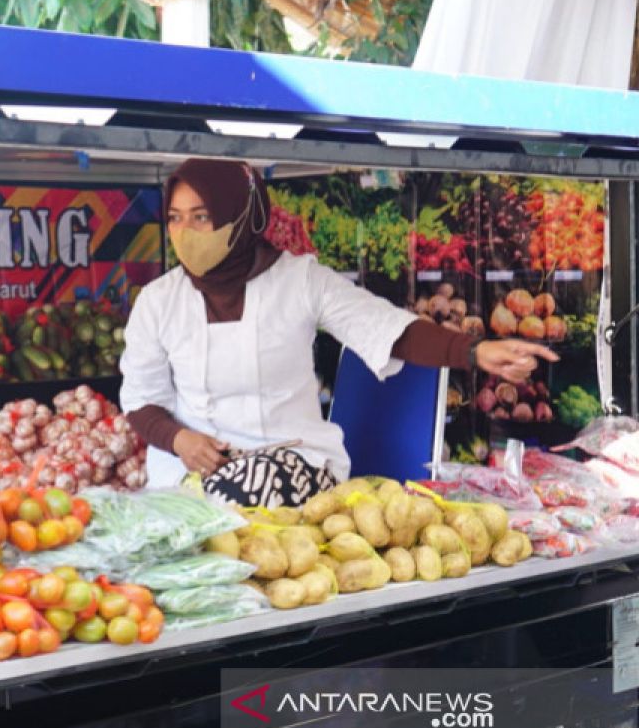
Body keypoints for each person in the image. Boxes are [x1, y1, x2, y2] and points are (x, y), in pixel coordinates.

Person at [120, 159, 558, 504]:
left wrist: (474, 352)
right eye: (175, 218)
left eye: (201, 217)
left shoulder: (298, 281)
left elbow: (385, 328)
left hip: (293, 464)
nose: (185, 232)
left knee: (236, 500)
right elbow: (141, 399)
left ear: (241, 215)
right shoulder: (159, 301)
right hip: (190, 476)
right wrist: (179, 439)